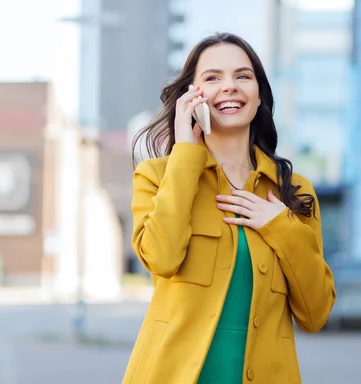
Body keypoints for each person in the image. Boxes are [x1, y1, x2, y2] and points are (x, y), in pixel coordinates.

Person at [123, 32, 336, 384]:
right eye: (212, 78)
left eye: (242, 76)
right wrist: (186, 154)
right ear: (192, 96)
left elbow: (316, 314)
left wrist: (280, 225)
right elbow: (161, 258)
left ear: (258, 96)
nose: (230, 86)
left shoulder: (294, 192)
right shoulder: (157, 177)